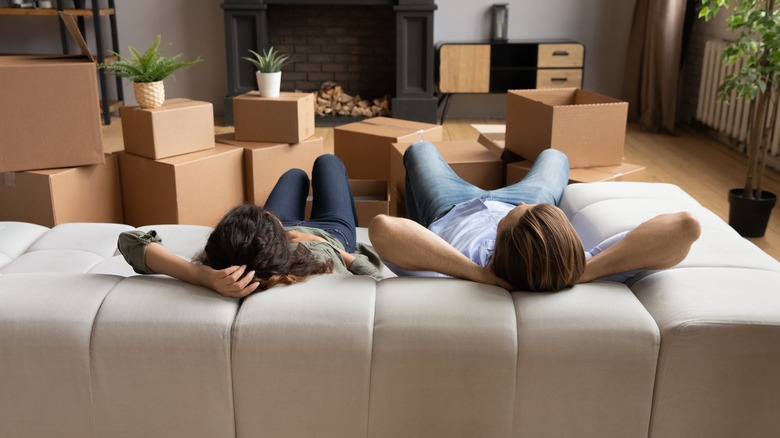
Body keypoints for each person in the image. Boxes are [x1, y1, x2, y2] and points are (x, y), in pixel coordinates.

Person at [368, 141, 701, 292]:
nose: (517, 213)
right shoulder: (572, 262)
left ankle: (424, 217)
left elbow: (383, 228)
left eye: (510, 220)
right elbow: (687, 227)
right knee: (555, 155)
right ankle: (532, 210)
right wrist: (584, 272)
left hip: (452, 207)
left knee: (419, 150)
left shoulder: (455, 271)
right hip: (525, 201)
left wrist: (479, 275)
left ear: (500, 244)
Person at [118, 154, 383, 298]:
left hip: (267, 235)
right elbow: (375, 277)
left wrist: (201, 276)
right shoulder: (322, 268)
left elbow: (130, 241)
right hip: (329, 233)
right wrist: (328, 246)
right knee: (327, 162)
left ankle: (286, 199)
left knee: (294, 175)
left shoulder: (223, 267)